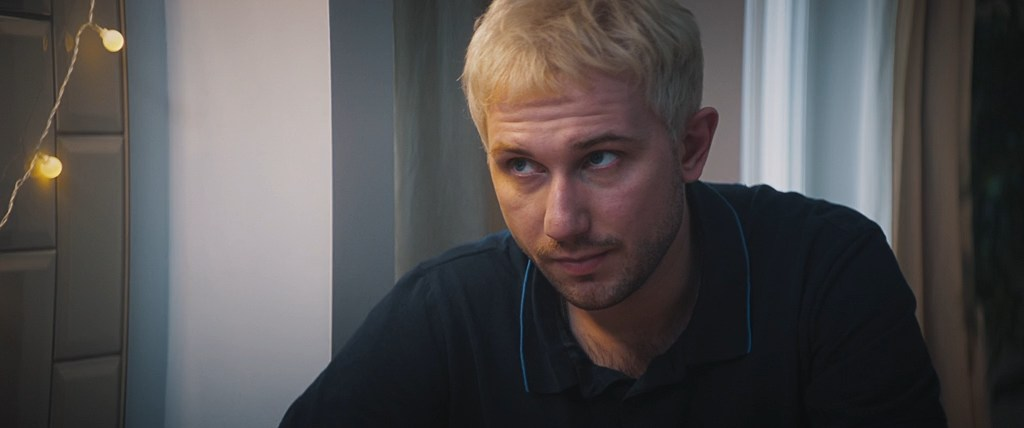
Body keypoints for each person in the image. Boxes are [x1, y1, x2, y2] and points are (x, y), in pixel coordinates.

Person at [281, 0, 946, 426]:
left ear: (691, 146)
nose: (561, 223)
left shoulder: (827, 273)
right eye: (522, 165)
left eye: (600, 159)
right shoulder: (445, 310)